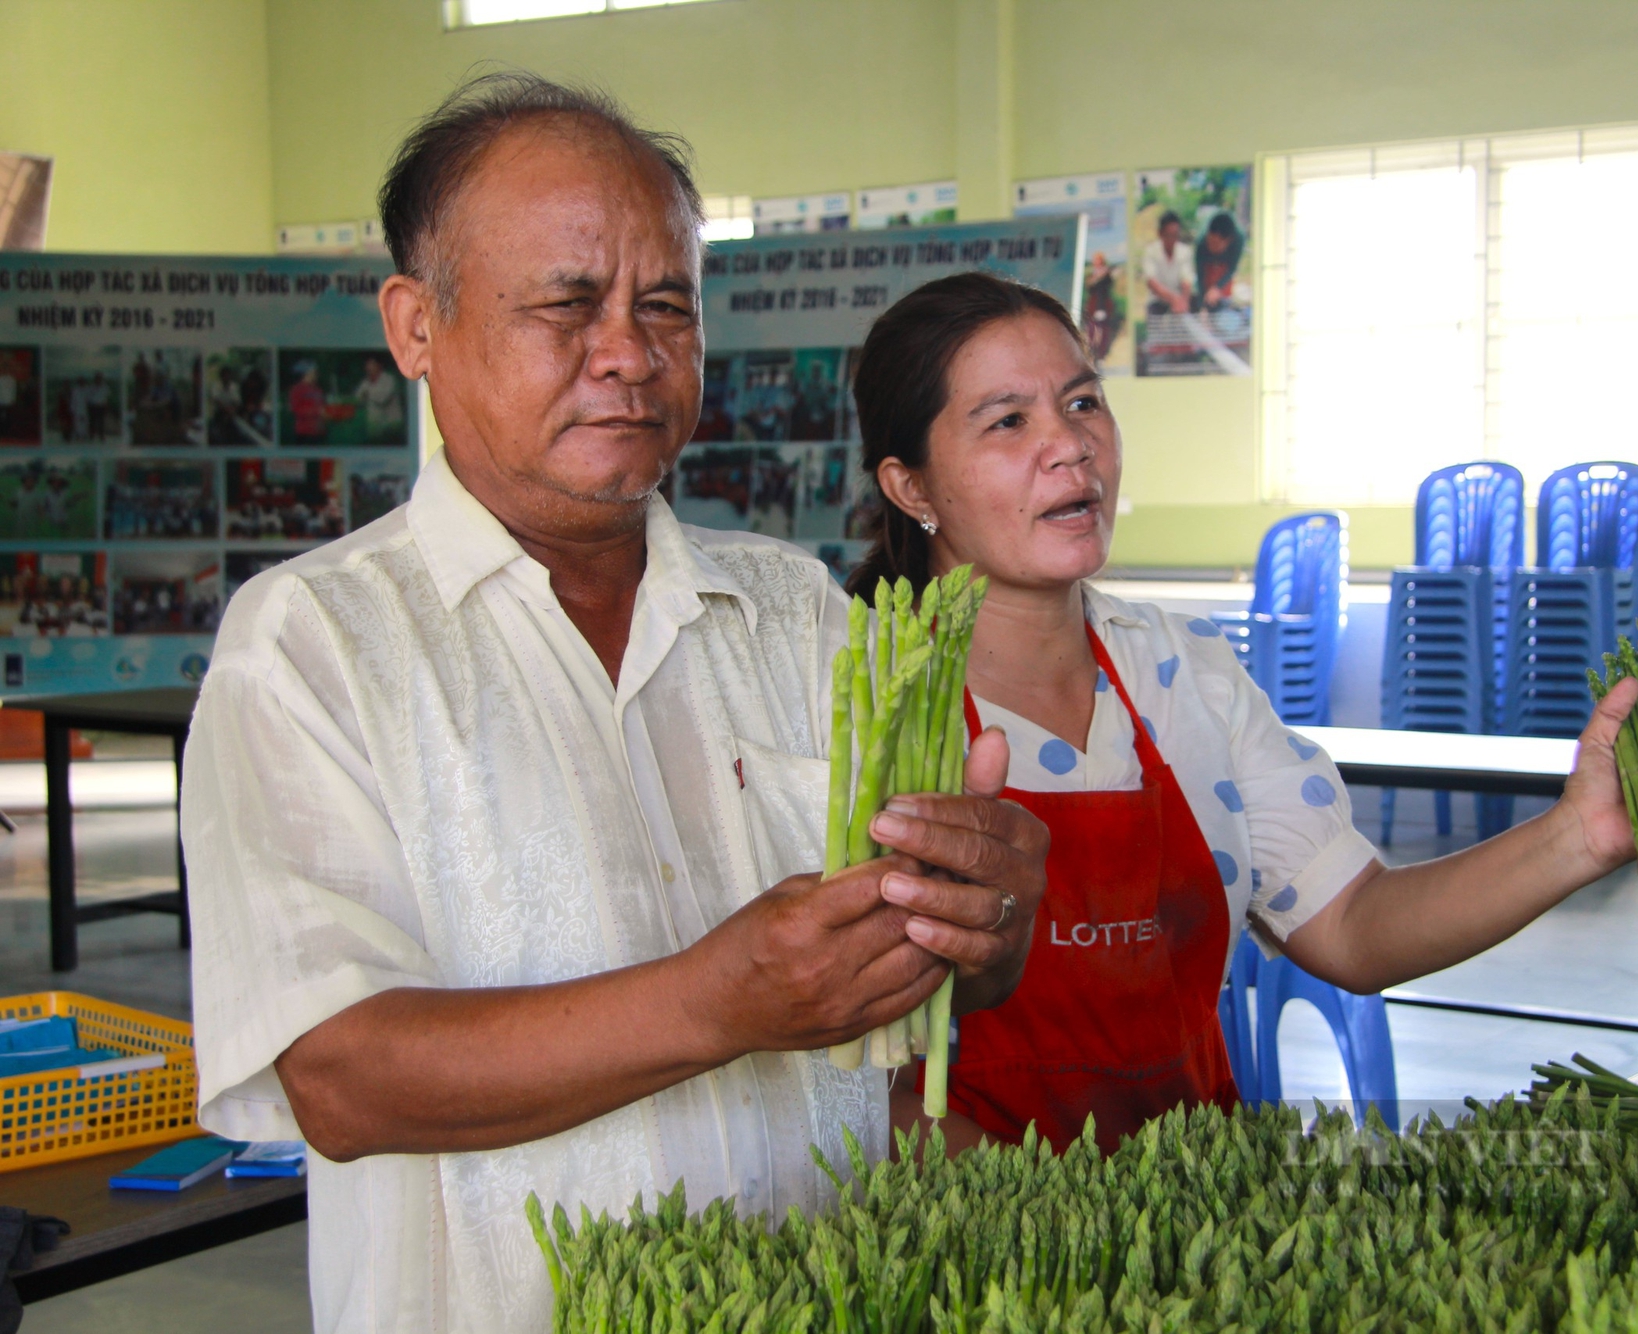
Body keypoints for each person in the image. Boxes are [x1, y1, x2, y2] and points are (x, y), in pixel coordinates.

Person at [183, 73, 1048, 1334]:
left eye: (666, 307)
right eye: (568, 302)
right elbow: (342, 1075)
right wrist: (714, 999)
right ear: (416, 326)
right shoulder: (313, 643)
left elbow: (926, 996)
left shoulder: (797, 612)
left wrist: (984, 921)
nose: (630, 355)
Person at [848, 271, 1638, 1156]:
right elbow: (851, 1080)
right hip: (966, 1225)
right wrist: (1039, 1224)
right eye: (1008, 421)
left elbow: (1352, 925)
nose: (1072, 444)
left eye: (1084, 401)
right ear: (912, 487)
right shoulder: (857, 707)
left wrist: (1578, 836)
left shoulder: (1189, 673)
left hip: (1189, 1196)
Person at [1141, 210, 1194, 316]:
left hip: (1179, 301)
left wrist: (1183, 301)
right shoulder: (1150, 252)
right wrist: (1172, 299)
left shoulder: (1185, 252)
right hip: (1158, 301)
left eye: (1175, 235)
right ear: (1160, 233)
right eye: (1169, 235)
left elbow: (1186, 280)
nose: (1172, 239)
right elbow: (1151, 282)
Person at [1192, 211, 1245, 313]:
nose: (1211, 246)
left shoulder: (1239, 240)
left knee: (1222, 294)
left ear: (1228, 241)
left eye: (1216, 243)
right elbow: (1200, 274)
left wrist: (1217, 288)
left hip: (1225, 264)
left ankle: (1223, 306)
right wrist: (1202, 305)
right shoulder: (1201, 242)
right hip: (1207, 263)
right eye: (1210, 241)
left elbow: (1232, 269)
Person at [355, 352, 406, 443]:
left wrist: (367, 395)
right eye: (368, 365)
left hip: (391, 428)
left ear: (379, 366)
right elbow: (357, 398)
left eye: (372, 364)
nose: (369, 368)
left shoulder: (389, 380)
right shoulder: (365, 382)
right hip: (374, 429)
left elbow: (382, 399)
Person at [286, 359, 327, 443]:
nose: (316, 374)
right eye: (314, 372)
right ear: (306, 373)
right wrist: (316, 411)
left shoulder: (318, 390)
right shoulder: (296, 389)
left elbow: (323, 407)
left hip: (319, 432)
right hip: (304, 433)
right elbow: (295, 409)